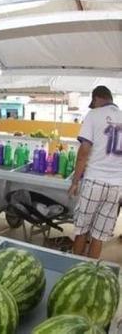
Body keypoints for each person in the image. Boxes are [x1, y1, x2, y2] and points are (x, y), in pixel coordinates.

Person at [68, 86, 122, 259]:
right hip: (116, 186)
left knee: (82, 230)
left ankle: (74, 268)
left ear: (97, 98)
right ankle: (90, 271)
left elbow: (84, 151)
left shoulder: (93, 115)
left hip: (94, 182)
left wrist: (75, 181)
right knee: (99, 234)